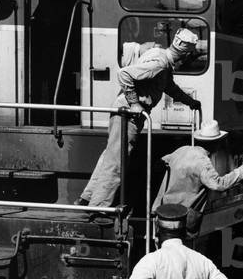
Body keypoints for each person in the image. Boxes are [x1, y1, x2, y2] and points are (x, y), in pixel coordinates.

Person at [77, 28, 202, 209]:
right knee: (117, 162)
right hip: (128, 114)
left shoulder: (161, 60)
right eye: (189, 52)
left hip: (126, 113)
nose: (189, 56)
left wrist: (190, 102)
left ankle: (87, 198)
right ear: (183, 49)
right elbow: (125, 74)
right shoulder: (159, 62)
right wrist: (135, 103)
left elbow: (170, 88)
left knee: (110, 157)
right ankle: (99, 208)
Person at [152, 119, 243, 236]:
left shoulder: (182, 150)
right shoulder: (203, 163)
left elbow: (159, 164)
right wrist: (242, 170)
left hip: (163, 212)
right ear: (216, 143)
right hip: (182, 218)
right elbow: (219, 184)